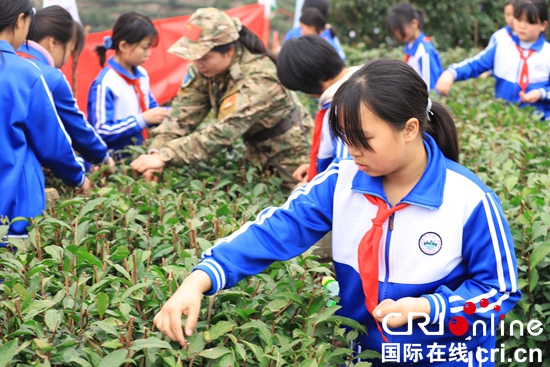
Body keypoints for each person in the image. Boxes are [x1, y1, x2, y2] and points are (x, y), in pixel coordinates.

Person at [153, 59, 520, 366]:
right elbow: (276, 228)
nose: (352, 152)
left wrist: (429, 306)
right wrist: (199, 280)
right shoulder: (342, 182)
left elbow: (500, 291)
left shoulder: (469, 199)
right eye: (345, 138)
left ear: (409, 129)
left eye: (364, 140)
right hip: (362, 355)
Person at [130, 8, 313, 183]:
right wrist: (155, 153)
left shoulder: (260, 79)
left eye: (204, 57)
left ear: (229, 51)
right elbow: (181, 116)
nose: (197, 64)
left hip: (293, 158)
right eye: (194, 57)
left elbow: (223, 132)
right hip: (257, 155)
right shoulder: (206, 70)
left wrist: (166, 155)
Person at [0, 0, 89, 237]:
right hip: (12, 217)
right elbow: (53, 145)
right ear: (20, 21)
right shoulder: (25, 73)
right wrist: (79, 178)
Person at [17, 5, 115, 173]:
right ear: (53, 43)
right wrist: (103, 158)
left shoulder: (9, 61)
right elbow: (76, 128)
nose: (67, 60)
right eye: (69, 50)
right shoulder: (51, 76)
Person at [436, 0, 550, 121]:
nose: (522, 25)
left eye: (529, 22)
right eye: (518, 19)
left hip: (539, 125)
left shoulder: (547, 53)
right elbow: (476, 64)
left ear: (543, 25)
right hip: (503, 122)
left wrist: (541, 93)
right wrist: (451, 73)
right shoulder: (502, 45)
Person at [87, 11, 169, 153]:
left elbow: (150, 107)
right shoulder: (105, 83)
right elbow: (101, 131)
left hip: (139, 153)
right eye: (144, 47)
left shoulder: (142, 75)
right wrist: (141, 120)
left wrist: (168, 113)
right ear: (123, 46)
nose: (148, 53)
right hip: (115, 164)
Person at [277, 35, 353, 185]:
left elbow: (347, 172)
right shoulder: (361, 82)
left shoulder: (342, 108)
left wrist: (311, 187)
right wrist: (316, 168)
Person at [386, 3, 443, 92]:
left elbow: (430, 89)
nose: (397, 33)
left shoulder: (424, 51)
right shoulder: (409, 45)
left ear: (414, 23)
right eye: (394, 30)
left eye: (400, 28)